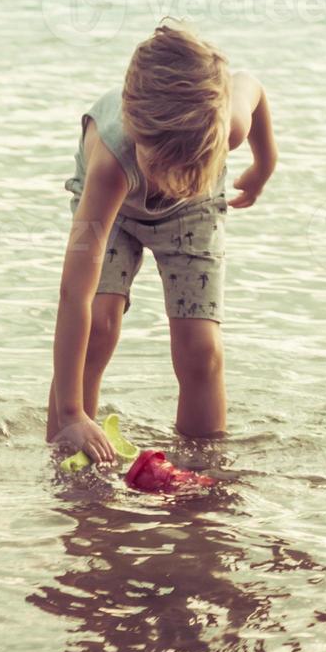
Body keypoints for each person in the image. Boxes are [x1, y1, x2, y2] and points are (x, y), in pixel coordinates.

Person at [47, 24, 277, 462]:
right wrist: (72, 412)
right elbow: (73, 292)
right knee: (99, 322)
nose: (173, 179)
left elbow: (253, 86)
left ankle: (201, 469)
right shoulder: (111, 165)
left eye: (189, 161)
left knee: (201, 349)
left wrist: (265, 164)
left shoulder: (226, 126)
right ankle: (70, 453)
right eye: (165, 163)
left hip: (197, 208)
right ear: (138, 134)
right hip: (116, 210)